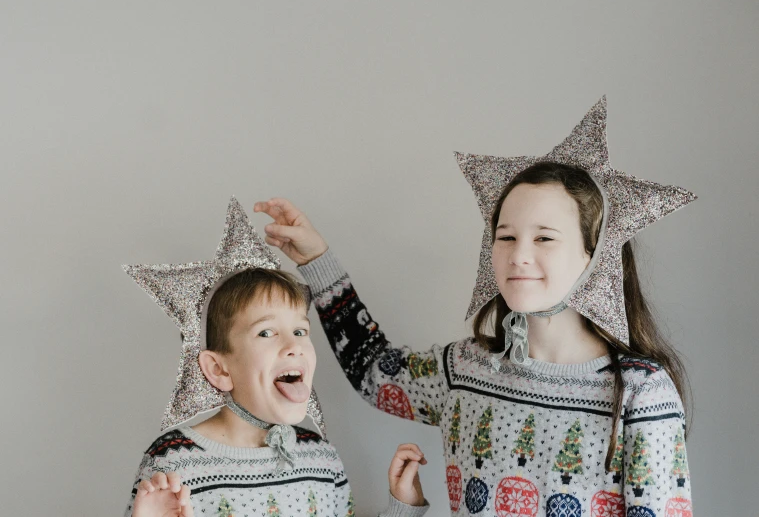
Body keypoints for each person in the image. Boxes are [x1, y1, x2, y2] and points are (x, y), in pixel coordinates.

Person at [255, 98, 696, 516]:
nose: (519, 255)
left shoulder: (641, 392)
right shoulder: (467, 368)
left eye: (544, 237)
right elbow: (373, 371)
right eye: (505, 237)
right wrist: (316, 260)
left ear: (594, 255)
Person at [123, 197, 430, 517]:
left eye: (300, 331)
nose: (293, 345)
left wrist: (403, 508)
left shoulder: (321, 457)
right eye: (266, 333)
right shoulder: (171, 466)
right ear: (218, 369)